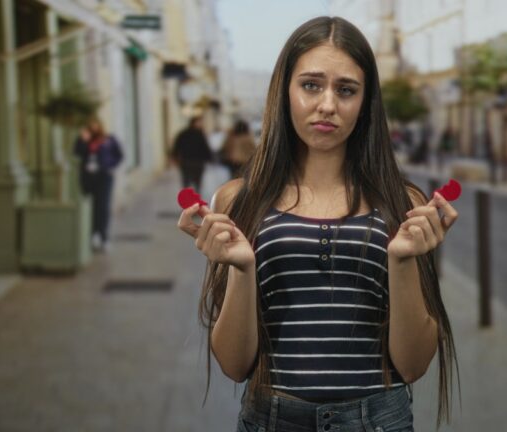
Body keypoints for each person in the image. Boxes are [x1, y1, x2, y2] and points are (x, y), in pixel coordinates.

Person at [177, 17, 458, 432]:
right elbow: (235, 366)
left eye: (346, 90)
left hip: (378, 420)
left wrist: (401, 260)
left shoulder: (404, 204)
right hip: (271, 419)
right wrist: (242, 268)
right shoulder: (239, 200)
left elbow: (413, 365)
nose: (328, 104)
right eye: (311, 85)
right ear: (284, 90)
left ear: (365, 101)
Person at [74, 118, 123, 252]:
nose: (93, 126)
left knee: (103, 206)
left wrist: (110, 166)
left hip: (104, 177)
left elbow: (119, 155)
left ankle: (103, 236)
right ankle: (92, 234)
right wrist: (82, 140)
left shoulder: (109, 139)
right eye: (91, 124)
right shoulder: (85, 140)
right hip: (88, 177)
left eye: (95, 124)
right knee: (91, 206)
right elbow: (77, 153)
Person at [172, 117, 213, 193]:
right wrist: (209, 158)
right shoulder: (199, 134)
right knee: (197, 181)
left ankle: (188, 196)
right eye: (199, 123)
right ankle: (195, 195)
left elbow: (176, 146)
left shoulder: (183, 134)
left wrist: (174, 156)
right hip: (196, 161)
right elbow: (205, 147)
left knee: (187, 180)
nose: (200, 124)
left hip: (187, 161)